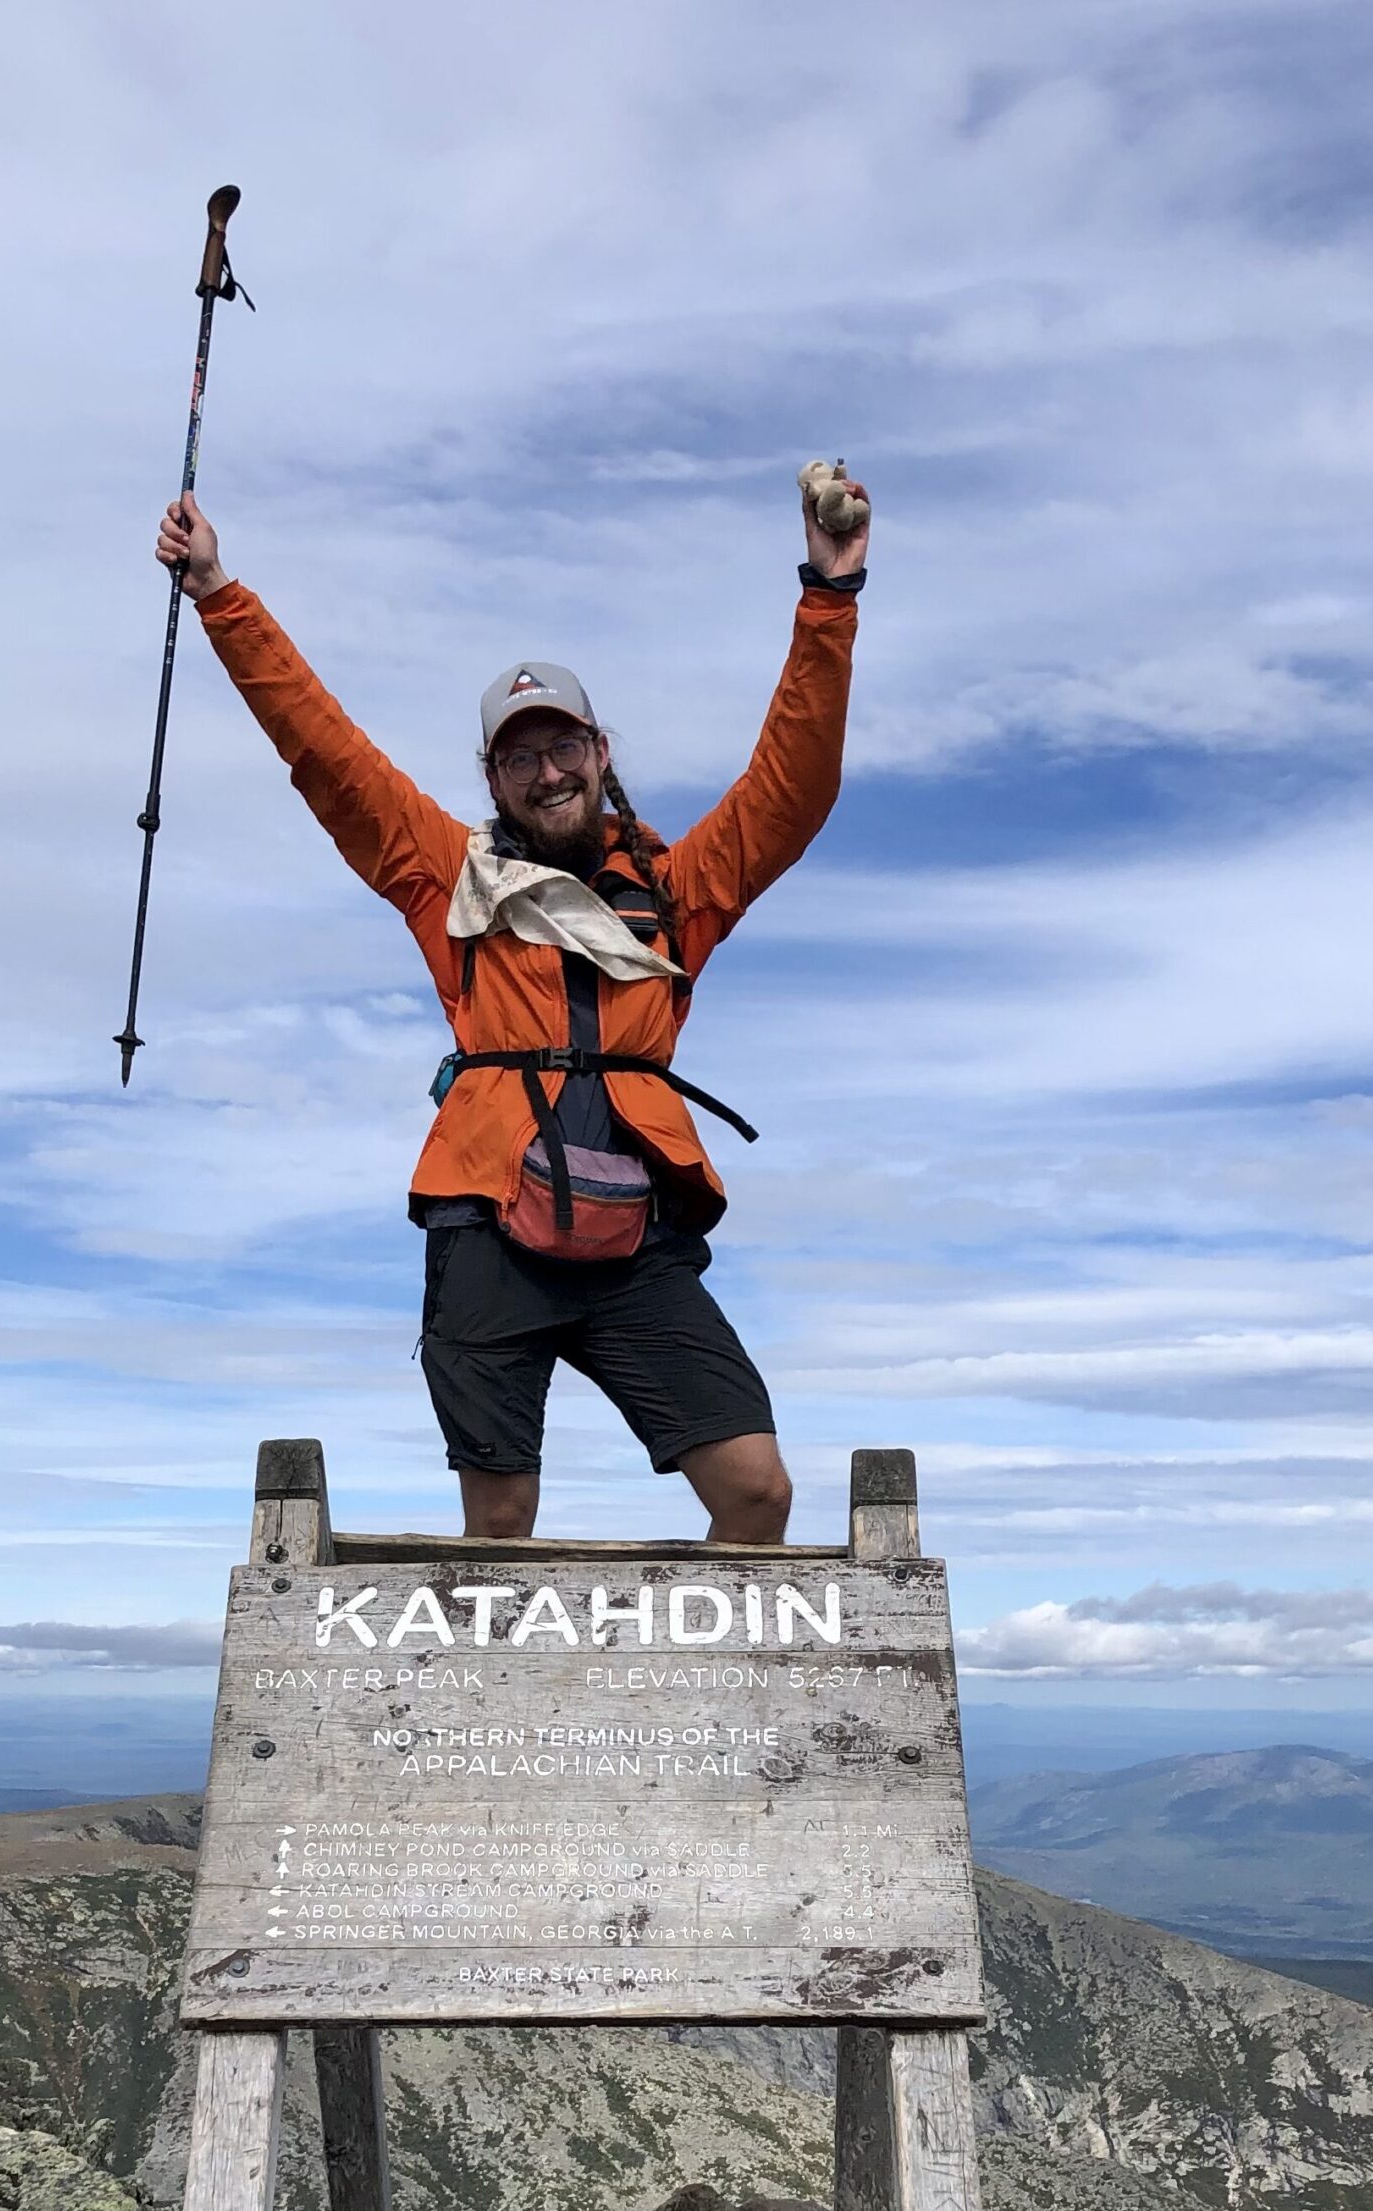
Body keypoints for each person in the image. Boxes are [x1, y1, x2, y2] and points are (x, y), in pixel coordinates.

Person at [154, 466, 868, 1541]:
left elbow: (792, 784)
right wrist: (220, 594)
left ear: (600, 753)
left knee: (758, 1490)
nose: (546, 774)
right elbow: (328, 754)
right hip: (488, 1215)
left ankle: (680, 1708)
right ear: (492, 778)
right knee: (500, 1525)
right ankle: (496, 1713)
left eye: (563, 747)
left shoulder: (678, 889)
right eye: (519, 756)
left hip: (635, 1231)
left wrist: (829, 595)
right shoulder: (448, 877)